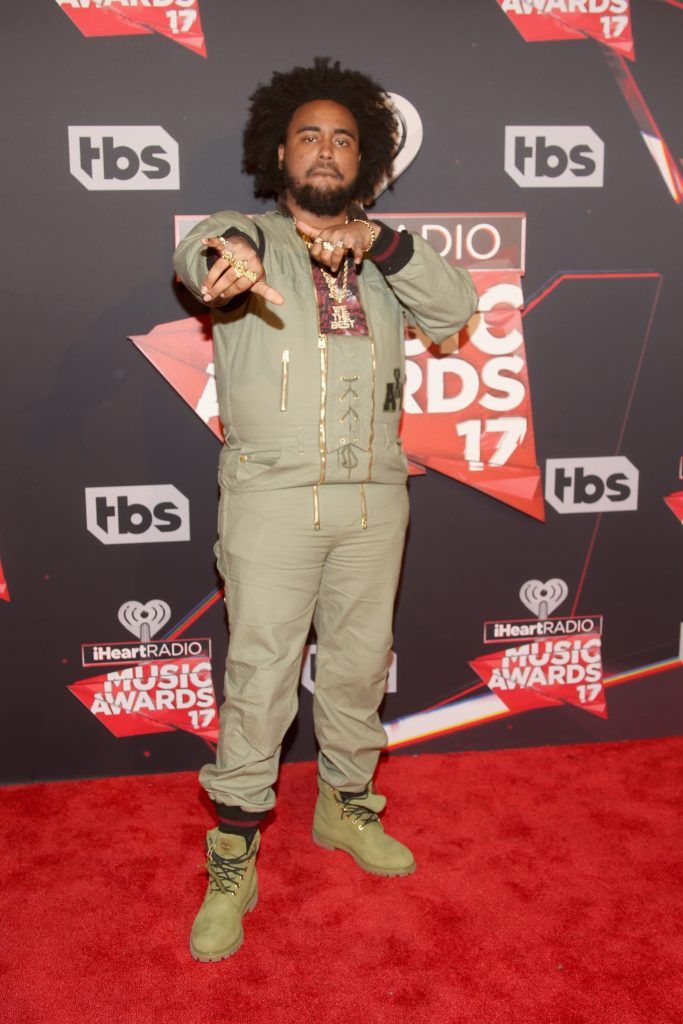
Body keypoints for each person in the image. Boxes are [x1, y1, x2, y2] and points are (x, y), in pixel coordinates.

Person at [174, 57, 478, 963]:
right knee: (261, 678)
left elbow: (455, 309)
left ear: (367, 160)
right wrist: (223, 264)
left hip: (375, 495)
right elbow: (200, 256)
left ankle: (345, 810)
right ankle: (232, 857)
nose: (325, 149)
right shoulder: (250, 238)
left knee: (354, 669)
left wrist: (379, 245)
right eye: (308, 134)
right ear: (279, 150)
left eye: (343, 138)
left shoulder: (389, 257)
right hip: (269, 497)